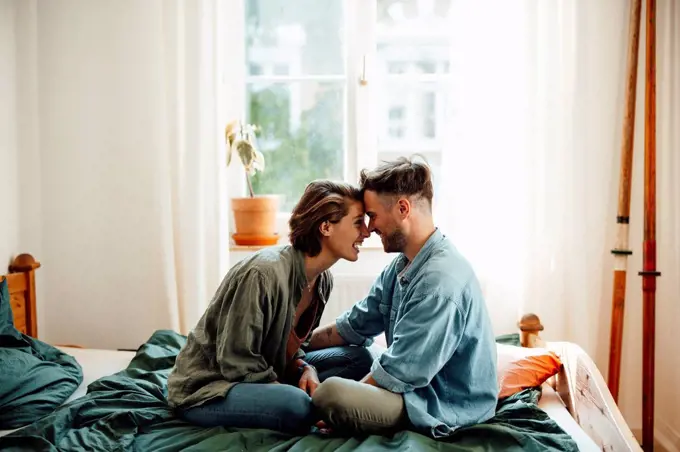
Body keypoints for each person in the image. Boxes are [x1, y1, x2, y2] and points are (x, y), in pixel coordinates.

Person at [308, 157, 499, 438]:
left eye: (372, 216)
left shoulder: (440, 281)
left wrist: (349, 405)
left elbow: (399, 372)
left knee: (331, 394)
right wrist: (296, 347)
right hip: (410, 386)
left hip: (436, 403)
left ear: (402, 208)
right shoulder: (403, 264)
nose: (368, 228)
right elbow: (355, 323)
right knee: (350, 355)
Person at [167, 180, 371, 435]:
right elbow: (236, 362)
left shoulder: (322, 280)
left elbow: (290, 348)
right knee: (297, 406)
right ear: (326, 226)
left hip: (266, 369)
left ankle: (306, 398)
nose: (366, 231)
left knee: (359, 358)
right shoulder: (263, 274)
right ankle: (311, 406)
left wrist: (307, 369)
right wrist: (289, 388)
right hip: (210, 387)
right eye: (358, 222)